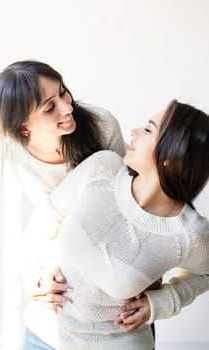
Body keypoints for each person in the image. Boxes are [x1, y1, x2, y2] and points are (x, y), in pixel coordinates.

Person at [0, 60, 157, 349]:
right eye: (49, 107)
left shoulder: (102, 125)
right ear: (23, 126)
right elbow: (26, 223)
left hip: (112, 279)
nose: (67, 107)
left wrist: (151, 288)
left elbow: (130, 210)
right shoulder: (14, 152)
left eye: (63, 93)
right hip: (62, 281)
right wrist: (28, 275)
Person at [19, 99, 209, 349]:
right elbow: (45, 218)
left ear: (170, 157)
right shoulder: (103, 167)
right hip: (42, 337)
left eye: (149, 130)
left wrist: (163, 301)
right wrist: (32, 273)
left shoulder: (189, 233)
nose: (135, 132)